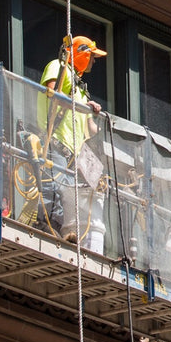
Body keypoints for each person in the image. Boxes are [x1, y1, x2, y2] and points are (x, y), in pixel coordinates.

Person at [35, 35, 108, 251]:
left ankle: (58, 228)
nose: (93, 62)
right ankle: (46, 225)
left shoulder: (80, 87)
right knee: (55, 188)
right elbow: (52, 92)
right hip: (56, 140)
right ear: (82, 53)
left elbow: (91, 129)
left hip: (71, 150)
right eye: (92, 57)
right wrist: (76, 102)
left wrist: (94, 113)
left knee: (66, 191)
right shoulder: (59, 67)